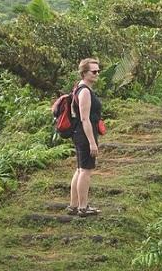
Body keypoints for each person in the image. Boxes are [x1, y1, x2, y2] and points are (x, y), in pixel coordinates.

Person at [67, 58, 103, 217]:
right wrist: (92, 142)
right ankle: (83, 207)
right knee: (86, 171)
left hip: (80, 133)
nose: (97, 74)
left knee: (80, 170)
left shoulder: (80, 88)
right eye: (93, 71)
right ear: (84, 73)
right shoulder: (85, 92)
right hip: (84, 133)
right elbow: (84, 118)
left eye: (98, 71)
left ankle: (74, 205)